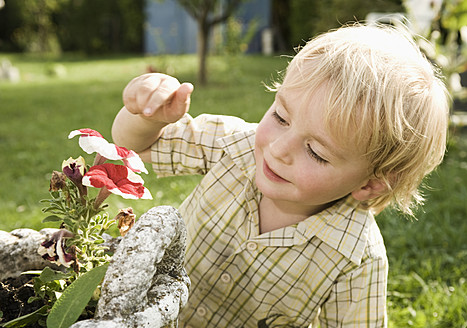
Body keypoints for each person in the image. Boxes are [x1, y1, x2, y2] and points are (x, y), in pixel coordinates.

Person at [112, 23, 449, 327]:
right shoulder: (234, 145)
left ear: (370, 183)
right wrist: (145, 115)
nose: (278, 148)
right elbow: (134, 149)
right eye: (281, 117)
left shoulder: (356, 259)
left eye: (316, 152)